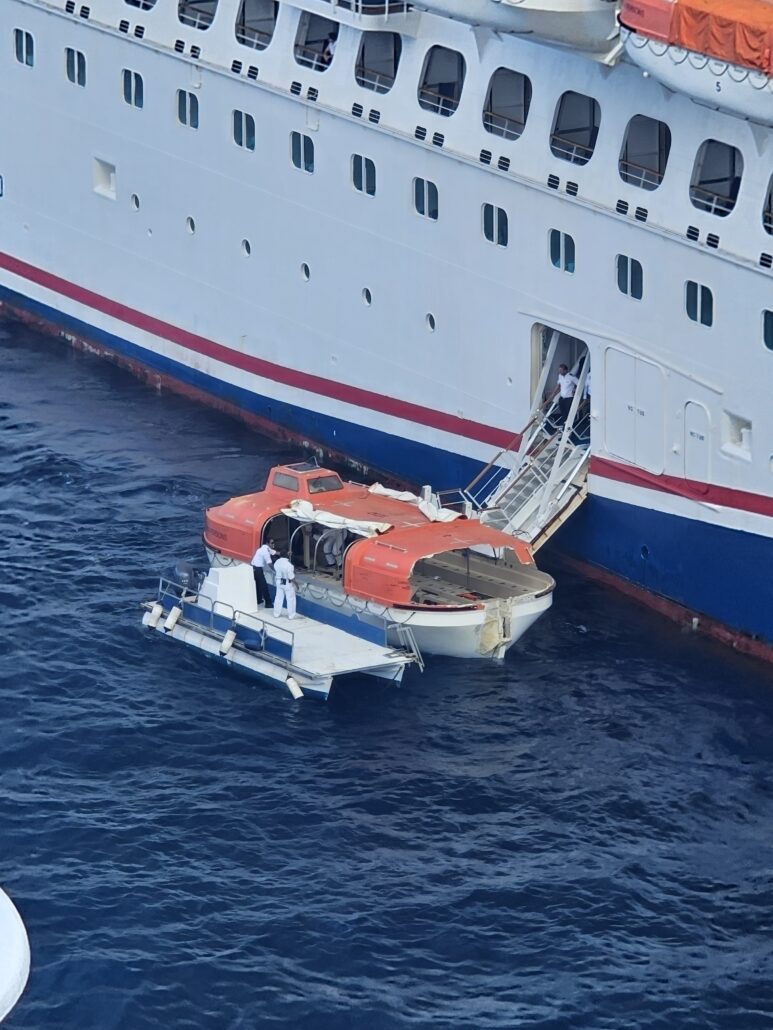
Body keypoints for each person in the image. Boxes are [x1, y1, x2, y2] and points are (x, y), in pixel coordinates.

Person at [250, 537, 276, 608]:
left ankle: (258, 599)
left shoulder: (265, 548)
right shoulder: (265, 552)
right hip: (257, 569)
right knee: (264, 586)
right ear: (268, 543)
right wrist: (275, 571)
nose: (273, 544)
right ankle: (268, 603)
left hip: (254, 567)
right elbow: (269, 563)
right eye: (272, 543)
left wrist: (284, 553)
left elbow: (274, 552)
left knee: (258, 585)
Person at [272, 549, 297, 619]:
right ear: (286, 555)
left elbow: (275, 568)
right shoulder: (289, 565)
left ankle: (276, 613)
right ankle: (291, 615)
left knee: (278, 598)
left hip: (279, 581)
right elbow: (291, 577)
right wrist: (296, 585)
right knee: (290, 599)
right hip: (287, 583)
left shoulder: (277, 562)